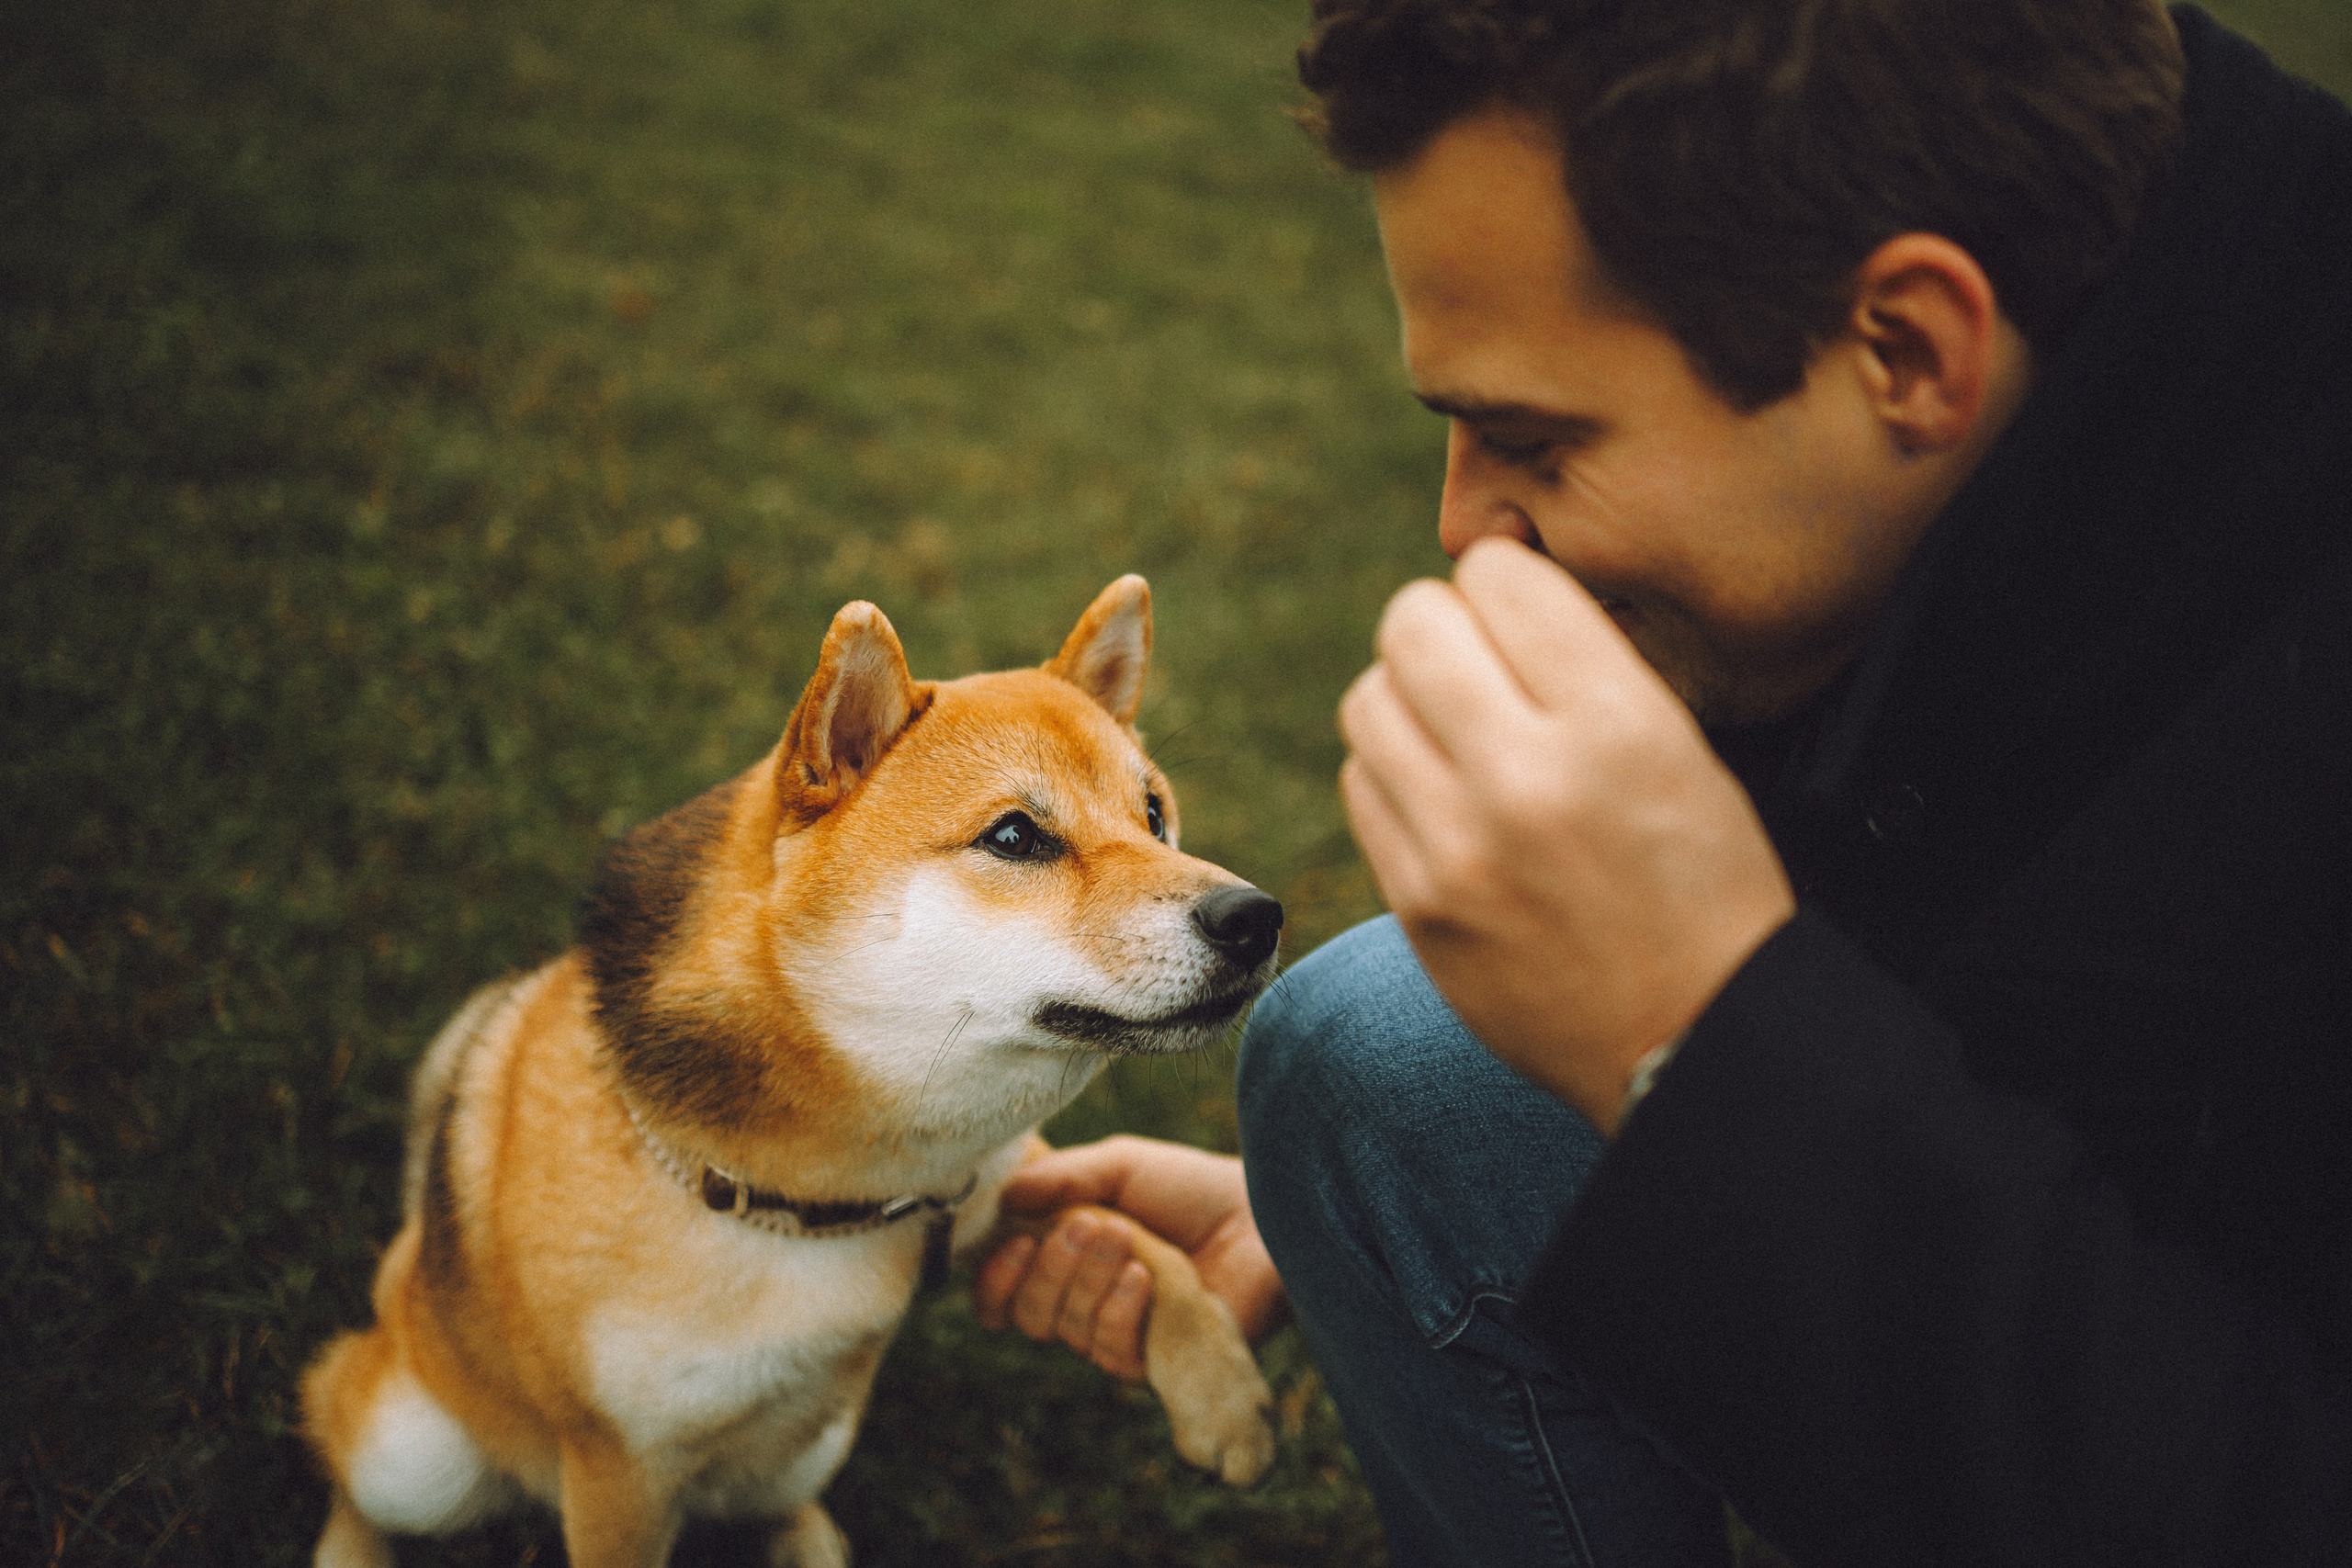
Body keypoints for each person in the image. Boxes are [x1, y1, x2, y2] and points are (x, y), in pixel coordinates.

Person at [977, 1, 2352, 1562]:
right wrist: (1485, 1179)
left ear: (1905, 349)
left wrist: (1687, 1051)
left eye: (1533, 442)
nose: (1465, 529)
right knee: (1387, 1069)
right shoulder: (2115, 363)